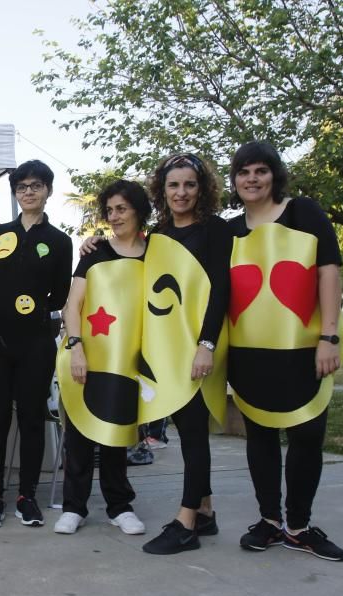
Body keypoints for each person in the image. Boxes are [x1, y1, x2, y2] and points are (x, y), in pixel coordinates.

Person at [226, 141, 343, 561]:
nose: (252, 179)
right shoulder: (230, 230)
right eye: (244, 172)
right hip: (249, 353)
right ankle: (269, 521)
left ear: (274, 174)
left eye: (260, 171)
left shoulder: (305, 212)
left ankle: (299, 525)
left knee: (307, 434)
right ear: (235, 180)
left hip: (303, 348)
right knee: (259, 435)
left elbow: (328, 271)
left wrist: (327, 336)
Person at [132, 153, 232, 555]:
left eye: (189, 184)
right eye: (173, 185)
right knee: (186, 427)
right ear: (162, 189)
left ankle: (186, 519)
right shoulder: (156, 236)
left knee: (192, 433)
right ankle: (205, 510)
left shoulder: (215, 231)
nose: (181, 192)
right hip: (169, 350)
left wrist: (206, 345)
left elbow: (221, 291)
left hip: (201, 346)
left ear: (202, 188)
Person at [0, 160, 72, 529]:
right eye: (22, 187)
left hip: (36, 342)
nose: (29, 192)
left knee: (32, 419)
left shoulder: (60, 241)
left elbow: (60, 294)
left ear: (48, 190)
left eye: (36, 185)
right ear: (15, 193)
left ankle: (27, 496)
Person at [54, 180, 148, 537]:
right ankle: (74, 507)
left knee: (118, 433)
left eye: (122, 208)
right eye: (109, 210)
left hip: (130, 359)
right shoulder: (95, 252)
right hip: (91, 355)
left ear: (138, 210)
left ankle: (119, 505)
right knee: (80, 432)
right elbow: (72, 306)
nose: (114, 216)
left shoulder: (154, 252)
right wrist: (77, 347)